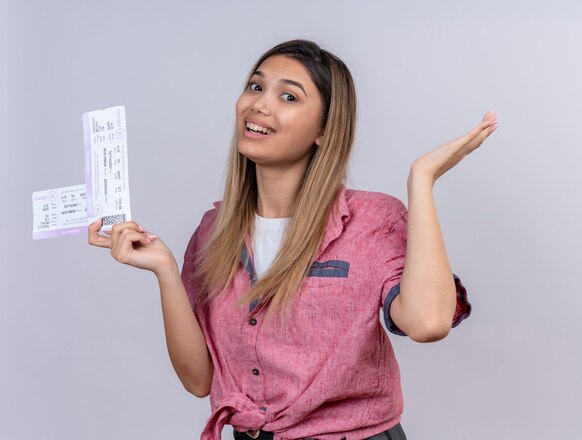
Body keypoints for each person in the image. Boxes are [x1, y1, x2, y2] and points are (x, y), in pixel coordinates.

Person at [88, 39, 497, 440]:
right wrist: (164, 271)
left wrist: (421, 180)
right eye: (256, 86)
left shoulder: (373, 220)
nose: (260, 104)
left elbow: (428, 322)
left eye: (288, 97)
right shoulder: (214, 232)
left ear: (323, 129)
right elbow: (199, 380)